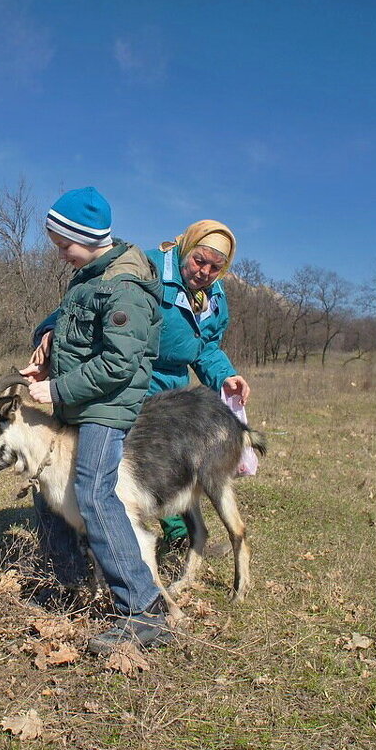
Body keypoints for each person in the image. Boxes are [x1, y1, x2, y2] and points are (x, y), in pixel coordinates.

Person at [19, 186, 168, 654]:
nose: (60, 254)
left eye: (64, 245)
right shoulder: (90, 275)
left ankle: (143, 608)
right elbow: (70, 321)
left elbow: (119, 365)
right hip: (80, 402)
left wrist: (56, 389)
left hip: (105, 407)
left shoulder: (124, 285)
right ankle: (69, 584)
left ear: (88, 238)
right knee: (48, 487)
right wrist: (46, 342)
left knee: (94, 493)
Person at [145, 220, 250, 542]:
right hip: (134, 376)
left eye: (215, 267)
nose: (204, 271)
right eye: (199, 260)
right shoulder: (147, 268)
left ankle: (180, 534)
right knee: (141, 456)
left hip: (174, 385)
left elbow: (207, 347)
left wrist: (226, 376)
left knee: (174, 458)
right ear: (186, 248)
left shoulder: (213, 297)